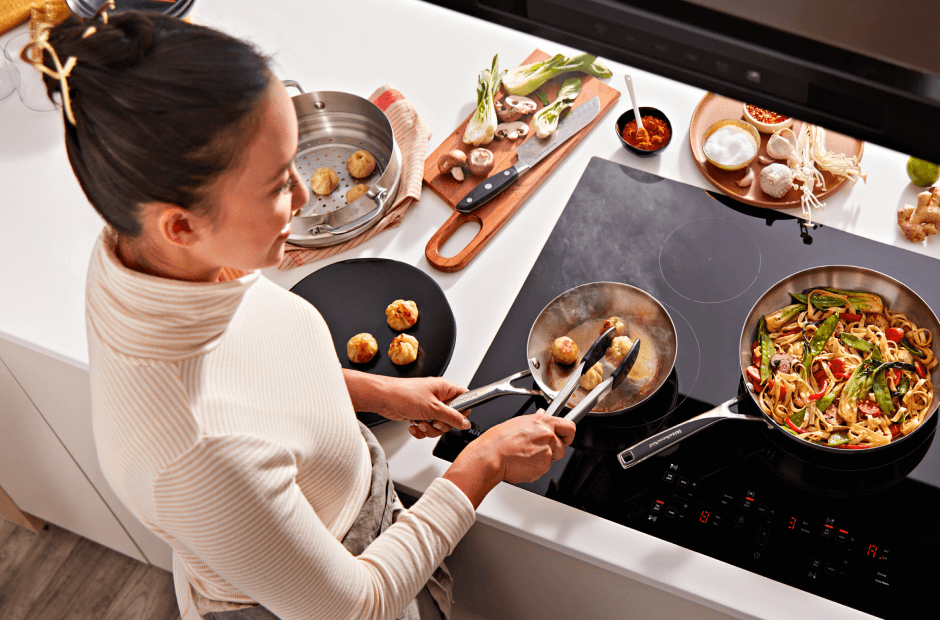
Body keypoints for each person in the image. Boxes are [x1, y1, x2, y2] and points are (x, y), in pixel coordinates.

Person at [38, 10, 574, 620]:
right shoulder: (194, 454)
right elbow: (357, 606)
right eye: (275, 187)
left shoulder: (146, 254)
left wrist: (383, 392)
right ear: (180, 224)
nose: (303, 196)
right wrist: (484, 464)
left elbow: (253, 383)